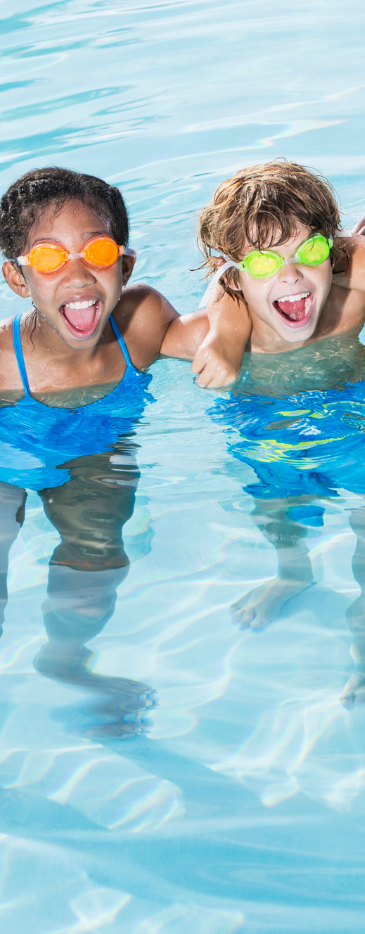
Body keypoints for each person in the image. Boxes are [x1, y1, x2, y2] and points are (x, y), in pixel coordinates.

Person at [0, 166, 245, 735]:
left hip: (96, 456)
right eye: (48, 259)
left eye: (99, 250)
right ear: (17, 278)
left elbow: (229, 322)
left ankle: (65, 657)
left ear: (126, 265)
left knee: (100, 548)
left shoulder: (140, 324)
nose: (79, 274)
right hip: (5, 457)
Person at [194, 160, 365, 705]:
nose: (290, 276)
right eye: (264, 261)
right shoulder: (228, 318)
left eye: (309, 252)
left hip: (359, 408)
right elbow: (214, 301)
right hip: (267, 413)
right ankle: (292, 572)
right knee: (276, 507)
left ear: (334, 247)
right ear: (232, 272)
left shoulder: (353, 286)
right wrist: (221, 338)